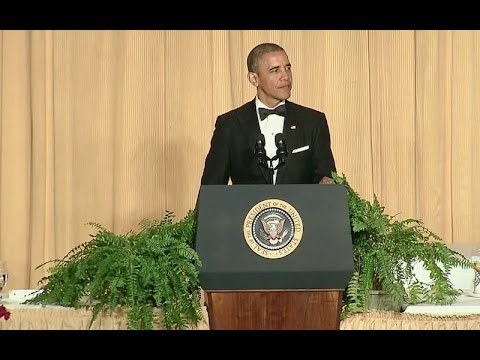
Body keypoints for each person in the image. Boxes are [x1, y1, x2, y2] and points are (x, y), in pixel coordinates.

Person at [201, 42, 336, 185]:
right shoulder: (229, 125)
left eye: (288, 68)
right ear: (254, 79)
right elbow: (211, 189)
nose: (286, 76)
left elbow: (328, 181)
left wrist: (327, 183)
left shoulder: (313, 122)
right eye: (275, 70)